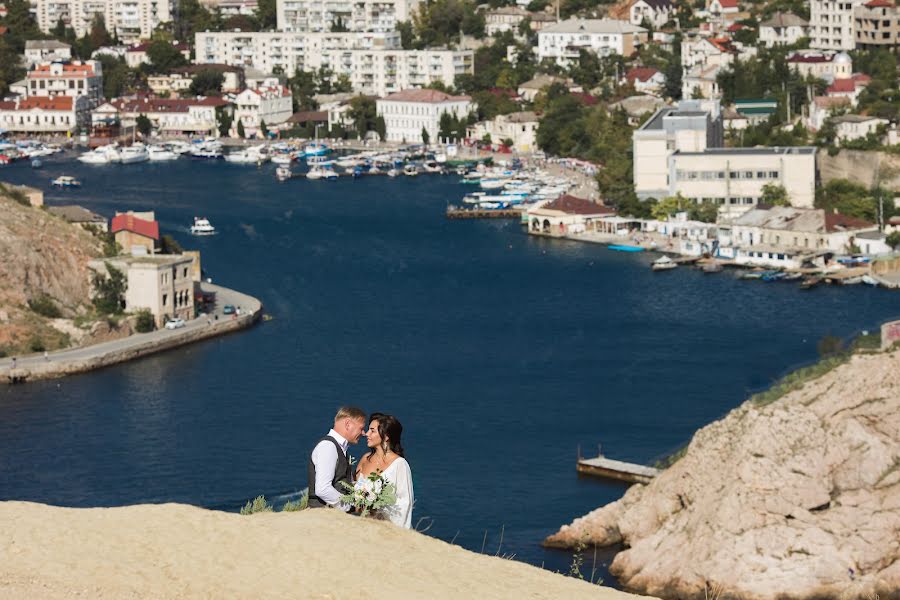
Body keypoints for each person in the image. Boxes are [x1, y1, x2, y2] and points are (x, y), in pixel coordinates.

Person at [355, 413, 414, 529]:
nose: (367, 434)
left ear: (386, 436)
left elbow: (405, 502)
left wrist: (379, 506)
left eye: (372, 431)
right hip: (362, 524)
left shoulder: (400, 465)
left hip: (389, 529)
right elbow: (355, 491)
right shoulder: (365, 459)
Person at [307, 406, 367, 510]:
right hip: (324, 516)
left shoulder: (339, 448)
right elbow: (323, 489)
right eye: (361, 428)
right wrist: (349, 506)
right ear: (348, 424)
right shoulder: (328, 446)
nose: (363, 433)